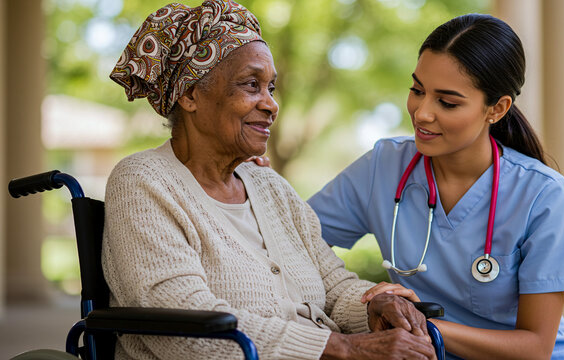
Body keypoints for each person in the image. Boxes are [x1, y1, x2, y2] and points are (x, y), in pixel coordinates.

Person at [103, 1, 436, 359]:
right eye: (251, 85)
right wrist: (344, 348)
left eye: (271, 88)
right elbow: (184, 323)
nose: (271, 104)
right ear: (189, 94)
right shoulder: (143, 181)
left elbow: (335, 288)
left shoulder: (269, 187)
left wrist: (375, 307)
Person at [308, 14, 564, 359]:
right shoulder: (383, 167)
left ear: (497, 109)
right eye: (417, 90)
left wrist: (418, 323)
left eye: (447, 102)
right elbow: (292, 237)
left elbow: (535, 347)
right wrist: (251, 179)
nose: (422, 113)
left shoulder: (543, 194)